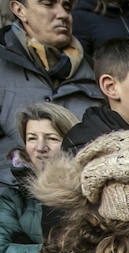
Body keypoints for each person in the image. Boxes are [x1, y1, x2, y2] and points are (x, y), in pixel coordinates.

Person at [0, 0, 102, 151]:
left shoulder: (96, 70)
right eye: (48, 4)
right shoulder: (3, 65)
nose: (63, 15)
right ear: (20, 10)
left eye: (66, 7)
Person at [0, 101, 74, 253]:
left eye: (51, 138)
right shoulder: (14, 198)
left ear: (70, 141)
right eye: (32, 138)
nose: (40, 147)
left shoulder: (89, 191)